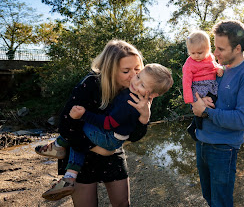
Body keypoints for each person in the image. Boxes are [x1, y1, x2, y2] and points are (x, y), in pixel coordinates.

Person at [35, 39, 152, 206]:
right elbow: (66, 126)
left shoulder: (138, 90)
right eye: (126, 71)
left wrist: (144, 117)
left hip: (112, 152)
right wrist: (97, 148)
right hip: (80, 151)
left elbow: (134, 136)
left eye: (137, 69)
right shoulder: (89, 84)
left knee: (122, 203)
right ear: (109, 70)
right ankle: (61, 158)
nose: (134, 76)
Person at [40, 64, 173, 201]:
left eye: (143, 85)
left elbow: (109, 123)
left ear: (152, 94)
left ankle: (60, 149)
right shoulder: (134, 95)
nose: (135, 80)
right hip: (114, 138)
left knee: (80, 127)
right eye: (138, 76)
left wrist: (84, 115)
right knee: (79, 134)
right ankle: (68, 172)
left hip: (109, 137)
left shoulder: (130, 102)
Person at [191, 20, 244, 206]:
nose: (214, 53)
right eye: (215, 47)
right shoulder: (216, 67)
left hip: (224, 149)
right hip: (202, 142)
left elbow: (242, 120)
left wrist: (206, 112)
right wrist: (198, 101)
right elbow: (197, 91)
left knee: (221, 203)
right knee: (208, 197)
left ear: (237, 48)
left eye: (220, 49)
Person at [182, 30, 224, 140]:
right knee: (200, 109)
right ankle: (197, 129)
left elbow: (213, 65)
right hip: (198, 88)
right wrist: (190, 100)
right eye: (192, 53)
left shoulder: (210, 57)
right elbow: (186, 82)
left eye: (199, 53)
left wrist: (219, 69)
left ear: (207, 49)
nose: (196, 56)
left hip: (211, 86)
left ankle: (194, 126)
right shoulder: (189, 63)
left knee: (213, 101)